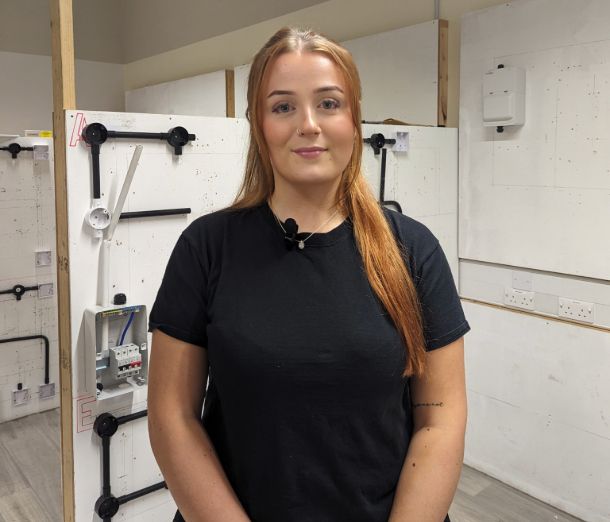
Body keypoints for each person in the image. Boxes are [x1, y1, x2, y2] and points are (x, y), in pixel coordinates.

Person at [147, 26, 470, 522]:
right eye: (283, 107)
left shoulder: (413, 249)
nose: (308, 125)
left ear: (354, 121)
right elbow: (173, 416)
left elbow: (439, 418)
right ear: (259, 125)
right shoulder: (207, 248)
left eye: (328, 104)